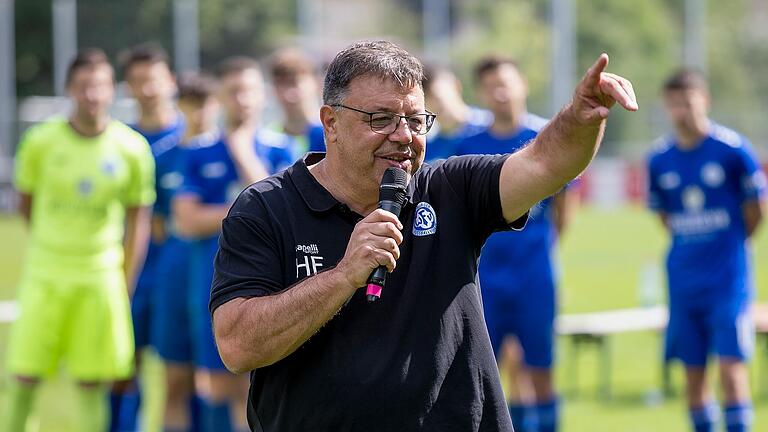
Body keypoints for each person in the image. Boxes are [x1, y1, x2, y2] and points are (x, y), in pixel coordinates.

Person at [209, 40, 637, 431]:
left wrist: (580, 117)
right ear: (330, 122)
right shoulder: (265, 208)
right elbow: (237, 346)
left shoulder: (450, 189)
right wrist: (343, 276)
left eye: (416, 121)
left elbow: (544, 165)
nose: (403, 136)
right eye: (380, 119)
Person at [2, 48, 155, 432]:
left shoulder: (132, 149)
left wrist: (124, 279)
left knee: (92, 385)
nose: (92, 95)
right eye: (84, 86)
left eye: (100, 86)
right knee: (23, 378)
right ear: (70, 89)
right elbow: (26, 204)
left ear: (111, 91)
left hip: (99, 278)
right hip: (45, 275)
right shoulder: (40, 141)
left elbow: (139, 221)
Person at [455, 56, 576, 432]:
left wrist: (539, 251)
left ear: (523, 84)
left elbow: (563, 210)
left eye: (506, 83)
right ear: (481, 94)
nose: (501, 92)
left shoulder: (546, 137)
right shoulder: (468, 144)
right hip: (483, 278)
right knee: (484, 371)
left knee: (540, 368)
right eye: (491, 86)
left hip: (534, 276)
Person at [172, 56, 294, 432]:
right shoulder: (198, 151)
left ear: (262, 96)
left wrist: (243, 152)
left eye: (249, 91)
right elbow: (186, 222)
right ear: (221, 97)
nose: (242, 100)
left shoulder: (282, 149)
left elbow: (282, 215)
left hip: (273, 287)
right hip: (212, 284)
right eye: (234, 91)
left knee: (266, 389)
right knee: (219, 385)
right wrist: (243, 210)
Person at [647, 69, 765, 432]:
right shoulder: (659, 159)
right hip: (683, 281)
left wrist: (728, 244)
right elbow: (664, 216)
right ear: (667, 107)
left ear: (705, 100)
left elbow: (755, 211)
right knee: (693, 375)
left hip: (727, 281)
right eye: (674, 103)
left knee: (731, 371)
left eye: (689, 101)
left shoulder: (732, 150)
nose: (682, 110)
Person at [111, 42, 186, 432]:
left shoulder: (191, 137)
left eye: (154, 79)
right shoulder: (120, 141)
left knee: (182, 370)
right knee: (123, 363)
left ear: (170, 81)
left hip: (182, 263)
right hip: (132, 265)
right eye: (138, 81)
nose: (148, 89)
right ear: (128, 87)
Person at [152, 71, 220, 432]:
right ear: (179, 106)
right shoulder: (162, 156)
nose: (198, 112)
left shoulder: (226, 149)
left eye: (205, 103)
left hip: (215, 273)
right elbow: (158, 222)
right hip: (174, 274)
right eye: (190, 104)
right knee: (175, 379)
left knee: (216, 384)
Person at [422, 64, 492, 161]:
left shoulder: (495, 127)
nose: (434, 104)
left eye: (436, 96)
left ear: (456, 86)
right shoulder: (428, 150)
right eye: (426, 98)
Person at [267, 47, 326, 156]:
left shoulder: (333, 132)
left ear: (315, 83)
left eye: (294, 83)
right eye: (281, 84)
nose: (288, 93)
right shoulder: (268, 138)